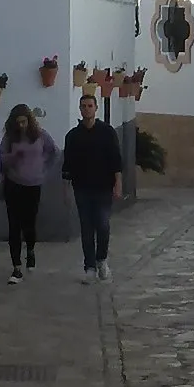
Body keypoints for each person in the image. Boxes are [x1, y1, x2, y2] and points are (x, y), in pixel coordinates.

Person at [61, 91, 124, 282]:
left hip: (103, 187)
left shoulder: (107, 132)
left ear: (96, 108)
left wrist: (118, 183)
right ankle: (89, 266)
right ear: (79, 109)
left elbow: (116, 160)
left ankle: (101, 260)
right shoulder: (73, 136)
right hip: (82, 188)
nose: (87, 109)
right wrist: (65, 191)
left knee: (103, 225)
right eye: (84, 106)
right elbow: (67, 166)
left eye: (90, 106)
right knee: (86, 228)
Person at [0, 103, 58, 281]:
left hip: (33, 184)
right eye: (18, 122)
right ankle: (16, 267)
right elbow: (0, 157)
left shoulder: (40, 135)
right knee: (14, 225)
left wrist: (43, 169)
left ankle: (30, 250)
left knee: (29, 223)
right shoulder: (10, 138)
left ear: (29, 121)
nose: (21, 126)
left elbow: (53, 152)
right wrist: (12, 158)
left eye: (24, 122)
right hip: (13, 183)